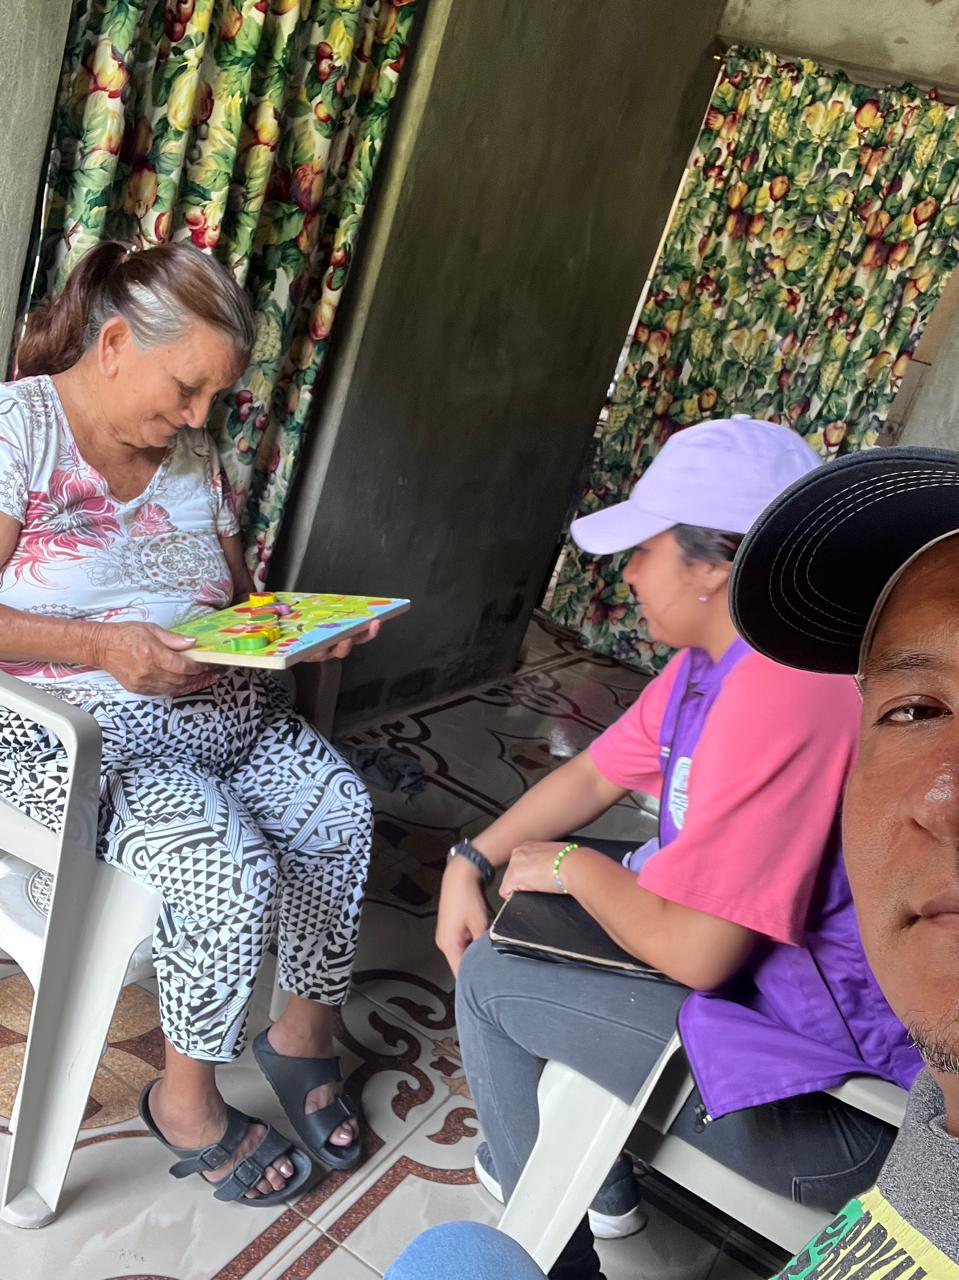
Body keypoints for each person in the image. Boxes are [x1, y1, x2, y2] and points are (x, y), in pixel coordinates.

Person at [393, 444, 959, 1280]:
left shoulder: (783, 692)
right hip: (777, 1012)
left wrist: (574, 870)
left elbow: (702, 953)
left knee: (489, 978)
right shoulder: (707, 668)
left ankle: (549, 1222)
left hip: (835, 1111)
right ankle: (585, 1175)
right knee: (541, 902)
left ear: (714, 564)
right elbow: (595, 773)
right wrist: (468, 858)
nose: (627, 573)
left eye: (645, 548)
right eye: (916, 710)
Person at [0, 241, 376, 1206]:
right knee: (228, 863)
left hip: (222, 716)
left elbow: (236, 604)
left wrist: (293, 634)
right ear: (114, 345)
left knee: (339, 809)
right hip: (80, 745)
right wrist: (99, 647)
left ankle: (301, 1037)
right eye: (186, 389)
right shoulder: (18, 432)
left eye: (215, 396)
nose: (201, 418)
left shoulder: (192, 454)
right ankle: (185, 1102)